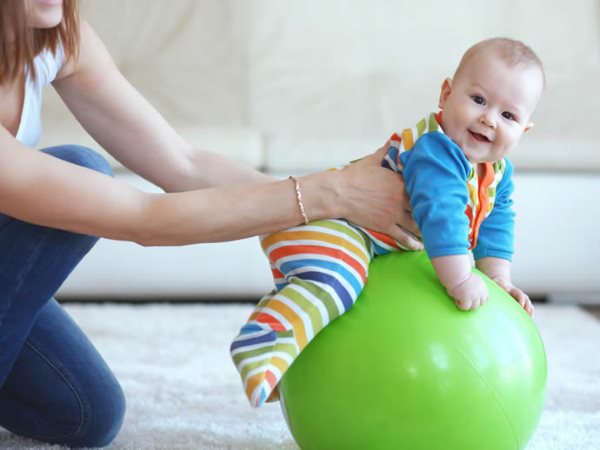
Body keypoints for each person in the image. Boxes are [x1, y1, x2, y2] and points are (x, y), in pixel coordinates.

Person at [0, 0, 422, 447]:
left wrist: (343, 213)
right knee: (81, 166)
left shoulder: (59, 36)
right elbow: (142, 218)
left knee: (88, 412)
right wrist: (330, 193)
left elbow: (183, 164)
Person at [230, 37, 544, 408]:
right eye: (478, 100)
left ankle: (293, 356)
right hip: (332, 223)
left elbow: (496, 223)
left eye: (508, 116)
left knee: (329, 296)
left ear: (522, 132)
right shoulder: (436, 151)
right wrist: (460, 277)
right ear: (446, 94)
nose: (489, 119)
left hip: (366, 239)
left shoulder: (496, 172)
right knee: (336, 283)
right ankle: (261, 344)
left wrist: (498, 278)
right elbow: (441, 217)